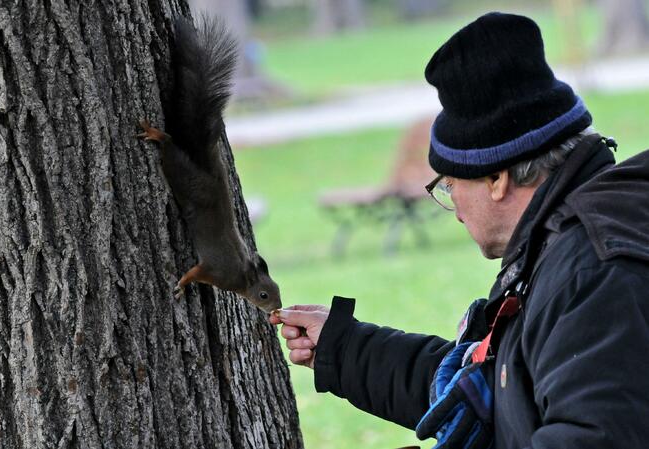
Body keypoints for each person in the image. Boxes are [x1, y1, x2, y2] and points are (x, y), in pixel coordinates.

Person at [270, 12, 649, 449]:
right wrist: (346, 347)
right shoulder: (561, 243)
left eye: (450, 185)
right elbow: (491, 389)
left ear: (497, 179)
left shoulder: (596, 272)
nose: (452, 209)